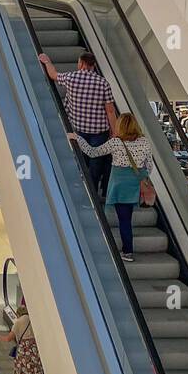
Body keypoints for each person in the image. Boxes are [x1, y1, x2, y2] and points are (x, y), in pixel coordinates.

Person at [69, 112, 154, 263]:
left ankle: (127, 251)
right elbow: (149, 167)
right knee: (126, 218)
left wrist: (78, 138)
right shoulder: (144, 142)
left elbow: (93, 152)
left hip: (118, 185)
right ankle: (127, 251)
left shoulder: (116, 143)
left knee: (123, 219)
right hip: (134, 184)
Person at [38, 50, 116, 201]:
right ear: (93, 65)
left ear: (80, 63)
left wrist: (47, 62)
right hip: (100, 131)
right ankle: (93, 194)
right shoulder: (103, 83)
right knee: (96, 163)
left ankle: (83, 191)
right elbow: (110, 111)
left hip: (80, 130)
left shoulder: (72, 78)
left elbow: (53, 75)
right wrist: (114, 132)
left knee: (82, 161)